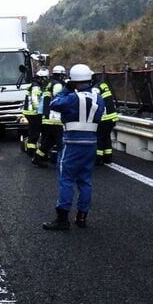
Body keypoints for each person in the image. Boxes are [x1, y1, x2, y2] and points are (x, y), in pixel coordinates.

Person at [42, 64, 104, 230]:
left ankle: (62, 218)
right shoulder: (98, 98)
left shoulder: (71, 98)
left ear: (73, 81)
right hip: (91, 143)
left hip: (72, 143)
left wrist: (66, 90)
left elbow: (54, 103)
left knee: (66, 179)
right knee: (85, 180)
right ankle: (82, 217)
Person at [32, 65, 66, 167]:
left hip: (47, 117)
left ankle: (37, 158)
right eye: (63, 75)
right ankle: (65, 162)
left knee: (48, 141)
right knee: (61, 142)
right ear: (61, 75)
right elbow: (60, 100)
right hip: (55, 118)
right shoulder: (58, 85)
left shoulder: (49, 83)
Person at [92, 74, 119, 165]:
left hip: (104, 118)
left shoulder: (95, 88)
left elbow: (94, 102)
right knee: (106, 136)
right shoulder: (103, 84)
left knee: (99, 137)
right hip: (112, 117)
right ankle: (108, 157)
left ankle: (98, 158)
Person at [22, 68, 48, 157]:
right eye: (45, 78)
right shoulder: (36, 86)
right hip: (33, 112)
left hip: (30, 112)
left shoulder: (33, 84)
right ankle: (31, 151)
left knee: (33, 131)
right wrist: (40, 111)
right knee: (35, 132)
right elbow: (35, 100)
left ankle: (30, 149)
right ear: (42, 78)